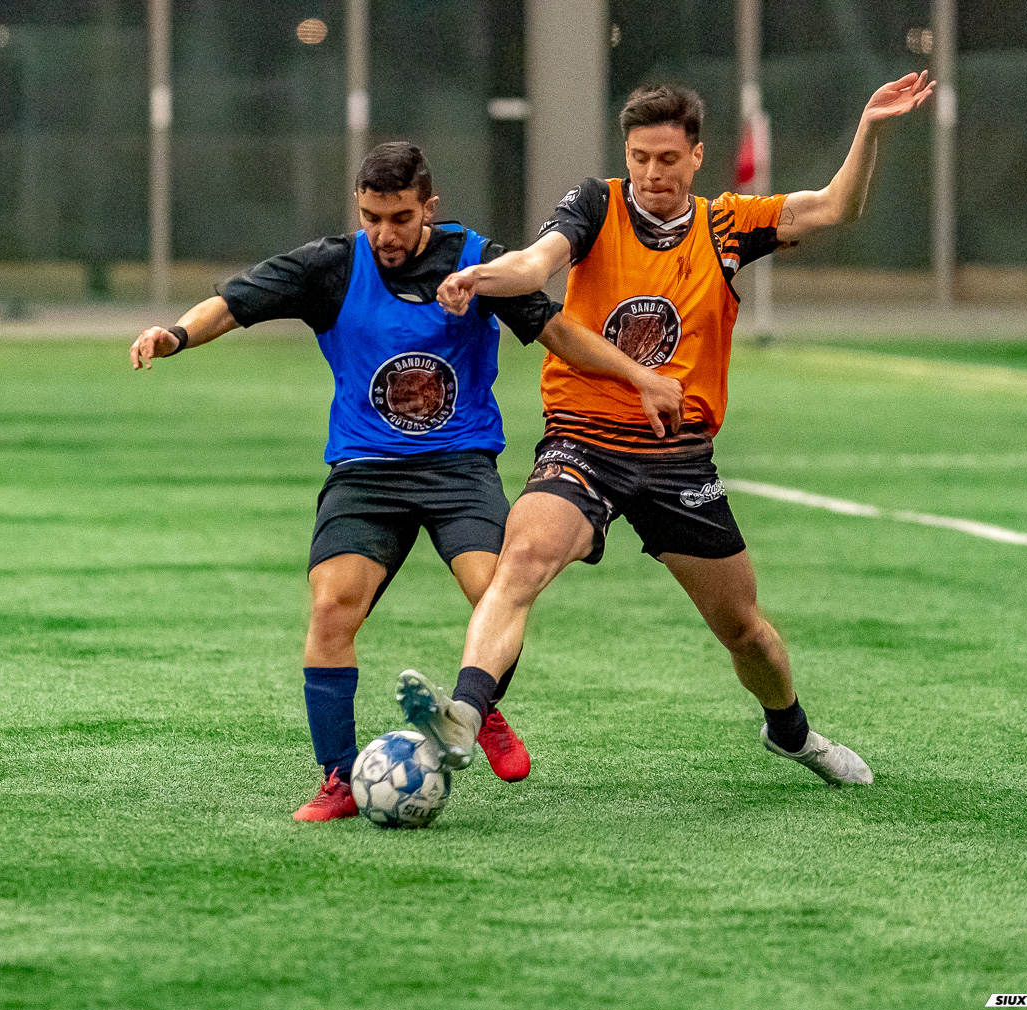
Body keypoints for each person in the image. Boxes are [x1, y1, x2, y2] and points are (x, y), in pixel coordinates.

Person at [396, 74, 935, 785]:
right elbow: (537, 262)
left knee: (746, 631)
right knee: (521, 559)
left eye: (667, 160)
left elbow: (838, 206)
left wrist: (871, 126)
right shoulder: (596, 203)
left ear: (696, 157)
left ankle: (792, 733)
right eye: (640, 157)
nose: (651, 173)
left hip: (678, 459)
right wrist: (482, 278)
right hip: (583, 438)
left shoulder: (729, 225)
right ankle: (465, 712)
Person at [129, 142, 683, 819]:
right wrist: (176, 336)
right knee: (332, 607)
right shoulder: (331, 265)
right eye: (371, 217)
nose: (385, 234)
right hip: (367, 469)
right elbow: (233, 302)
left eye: (398, 218)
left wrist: (637, 374)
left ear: (429, 208)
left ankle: (478, 709)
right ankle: (338, 778)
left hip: (459, 465)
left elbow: (559, 332)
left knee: (496, 590)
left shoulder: (478, 263)